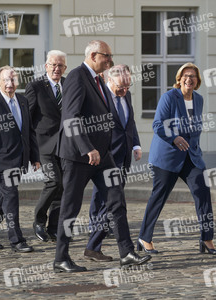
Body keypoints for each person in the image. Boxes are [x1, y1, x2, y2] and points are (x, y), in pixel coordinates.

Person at [53, 40, 151, 273]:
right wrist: (87, 148)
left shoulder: (97, 80)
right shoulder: (78, 76)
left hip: (102, 156)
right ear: (94, 55)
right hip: (79, 156)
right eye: (107, 56)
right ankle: (60, 258)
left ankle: (126, 253)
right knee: (70, 207)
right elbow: (71, 117)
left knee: (117, 201)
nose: (110, 60)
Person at [137, 62, 216, 255]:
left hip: (192, 156)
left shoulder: (198, 99)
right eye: (185, 75)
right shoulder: (169, 97)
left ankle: (207, 238)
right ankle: (144, 238)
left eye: (193, 76)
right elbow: (158, 125)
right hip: (168, 155)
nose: (189, 79)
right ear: (179, 79)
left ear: (197, 81)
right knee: (159, 197)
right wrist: (174, 138)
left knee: (203, 193)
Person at [0, 66, 40, 252]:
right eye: (5, 80)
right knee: (11, 197)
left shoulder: (22, 101)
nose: (9, 84)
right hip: (0, 162)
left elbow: (29, 132)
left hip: (18, 160)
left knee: (4, 197)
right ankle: (17, 240)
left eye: (13, 80)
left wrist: (35, 157)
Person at [85, 64, 141, 262]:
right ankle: (113, 249)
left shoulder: (127, 95)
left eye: (127, 86)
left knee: (111, 205)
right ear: (109, 80)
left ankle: (93, 247)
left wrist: (135, 144)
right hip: (106, 157)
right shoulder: (100, 98)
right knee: (110, 203)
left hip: (124, 156)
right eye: (121, 87)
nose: (124, 91)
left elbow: (130, 122)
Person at [25, 50, 67, 242]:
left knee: (63, 186)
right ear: (46, 66)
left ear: (65, 68)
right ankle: (39, 222)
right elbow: (28, 118)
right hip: (44, 145)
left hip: (66, 145)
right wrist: (30, 149)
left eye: (60, 66)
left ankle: (55, 228)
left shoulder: (69, 85)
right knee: (53, 182)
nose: (56, 69)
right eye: (53, 65)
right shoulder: (35, 87)